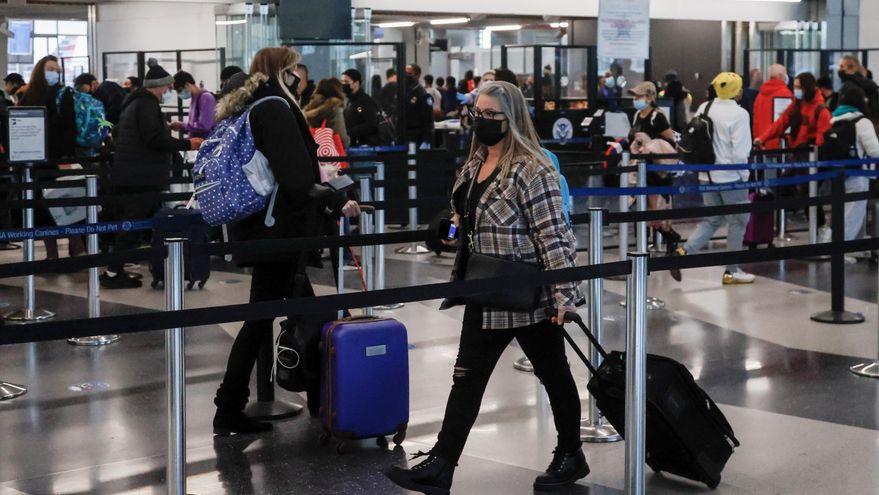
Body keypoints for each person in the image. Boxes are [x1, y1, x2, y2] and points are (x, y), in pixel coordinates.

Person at [385, 81, 587, 494]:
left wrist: (564, 294)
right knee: (467, 378)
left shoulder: (533, 169)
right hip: (483, 288)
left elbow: (554, 235)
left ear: (511, 119)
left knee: (554, 375)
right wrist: (451, 229)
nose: (482, 121)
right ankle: (442, 465)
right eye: (478, 113)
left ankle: (570, 453)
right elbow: (468, 216)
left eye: (492, 115)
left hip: (528, 293)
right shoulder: (475, 162)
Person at [212, 46, 360, 434]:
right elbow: (296, 179)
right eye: (296, 68)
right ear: (284, 71)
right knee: (272, 319)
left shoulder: (253, 104)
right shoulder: (275, 107)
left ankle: (313, 400)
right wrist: (334, 201)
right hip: (280, 233)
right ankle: (238, 407)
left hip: (267, 229)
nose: (302, 75)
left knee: (285, 316)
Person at [102, 64, 202, 289]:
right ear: (157, 86)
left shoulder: (134, 102)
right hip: (141, 176)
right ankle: (112, 273)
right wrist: (187, 142)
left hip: (131, 174)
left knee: (129, 225)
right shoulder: (147, 104)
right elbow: (153, 139)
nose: (168, 89)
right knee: (131, 226)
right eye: (166, 85)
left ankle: (113, 270)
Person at [671, 73, 755, 285]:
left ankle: (683, 251)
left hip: (706, 175)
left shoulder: (704, 108)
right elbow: (740, 151)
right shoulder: (740, 114)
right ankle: (731, 270)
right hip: (731, 176)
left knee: (712, 219)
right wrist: (745, 175)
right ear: (738, 91)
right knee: (738, 221)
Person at [18, 55, 85, 261]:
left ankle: (77, 250)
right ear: (40, 70)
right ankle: (52, 254)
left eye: (57, 69)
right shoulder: (28, 95)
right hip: (35, 160)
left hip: (58, 160)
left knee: (64, 204)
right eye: (50, 68)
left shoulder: (63, 94)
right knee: (42, 208)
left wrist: (66, 157)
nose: (54, 72)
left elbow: (69, 128)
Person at [627, 81, 682, 255]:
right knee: (640, 209)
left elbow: (670, 141)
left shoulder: (657, 117)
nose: (636, 99)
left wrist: (650, 143)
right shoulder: (637, 115)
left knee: (655, 211)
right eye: (635, 96)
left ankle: (671, 238)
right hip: (640, 169)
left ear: (650, 97)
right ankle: (643, 248)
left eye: (639, 96)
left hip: (656, 172)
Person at [828, 85, 879, 254]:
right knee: (852, 214)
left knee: (840, 212)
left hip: (836, 173)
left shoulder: (833, 118)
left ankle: (852, 248)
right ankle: (840, 252)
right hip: (858, 173)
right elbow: (874, 151)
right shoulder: (862, 122)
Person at [754, 73, 832, 151]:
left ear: (807, 88)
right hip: (796, 151)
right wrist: (762, 138)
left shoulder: (821, 110)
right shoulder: (796, 104)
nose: (795, 90)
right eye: (794, 87)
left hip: (810, 155)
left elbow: (821, 140)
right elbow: (781, 122)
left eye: (798, 87)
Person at [753, 64, 793, 151]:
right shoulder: (785, 94)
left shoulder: (760, 95)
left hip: (762, 142)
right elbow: (787, 120)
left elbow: (755, 121)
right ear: (780, 76)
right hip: (779, 143)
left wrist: (758, 138)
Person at [303, 77, 350, 148]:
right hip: (329, 155)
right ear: (338, 91)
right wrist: (348, 141)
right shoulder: (334, 108)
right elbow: (342, 139)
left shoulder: (309, 109)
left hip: (310, 152)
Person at [170, 70, 217, 139]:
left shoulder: (206, 98)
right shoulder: (194, 99)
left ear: (187, 85)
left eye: (179, 90)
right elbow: (194, 128)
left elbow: (205, 126)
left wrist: (181, 125)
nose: (178, 94)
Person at [341, 68, 380, 146]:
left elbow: (372, 125)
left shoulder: (365, 101)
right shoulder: (349, 100)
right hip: (353, 145)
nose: (343, 84)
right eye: (342, 81)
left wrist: (349, 131)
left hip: (364, 147)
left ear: (356, 83)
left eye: (346, 82)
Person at [838, 55, 879, 120]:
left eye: (841, 66)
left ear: (851, 68)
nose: (839, 69)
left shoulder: (847, 86)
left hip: (852, 125)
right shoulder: (872, 85)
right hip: (871, 125)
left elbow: (842, 111)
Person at [403, 64, 435, 147]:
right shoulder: (403, 92)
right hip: (403, 134)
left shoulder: (422, 94)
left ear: (417, 75)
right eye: (405, 73)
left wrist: (426, 139)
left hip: (416, 136)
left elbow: (428, 118)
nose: (407, 76)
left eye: (410, 74)